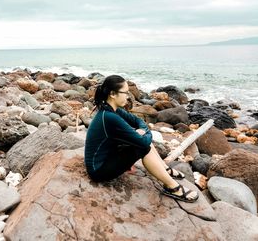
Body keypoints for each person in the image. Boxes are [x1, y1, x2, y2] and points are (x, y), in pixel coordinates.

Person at [84, 75, 199, 203]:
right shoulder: (109, 117)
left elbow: (137, 120)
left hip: (108, 155)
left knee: (141, 139)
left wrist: (143, 131)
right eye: (125, 92)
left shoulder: (112, 110)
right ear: (112, 94)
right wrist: (144, 132)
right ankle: (172, 187)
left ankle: (164, 169)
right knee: (143, 146)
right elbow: (144, 142)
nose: (128, 96)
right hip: (99, 170)